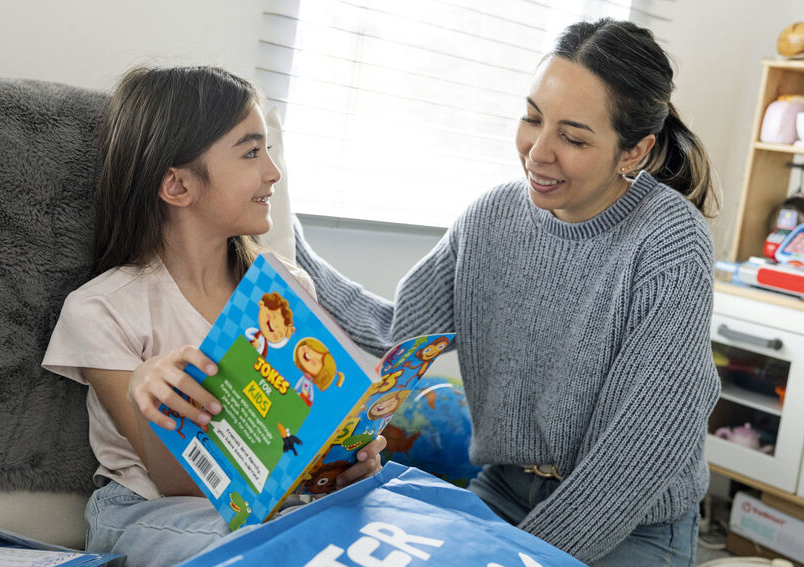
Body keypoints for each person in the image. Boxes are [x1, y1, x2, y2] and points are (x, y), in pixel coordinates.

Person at [291, 18, 721, 566]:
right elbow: (400, 337)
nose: (538, 152)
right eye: (532, 117)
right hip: (502, 491)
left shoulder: (669, 240)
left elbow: (639, 449)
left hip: (630, 520)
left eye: (573, 137)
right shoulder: (490, 218)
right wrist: (293, 251)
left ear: (634, 152)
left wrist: (521, 556)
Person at [42, 66, 386, 566]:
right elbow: (176, 482)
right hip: (149, 510)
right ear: (177, 186)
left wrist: (340, 465)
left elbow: (298, 442)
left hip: (274, 509)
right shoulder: (101, 309)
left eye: (268, 150)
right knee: (288, 551)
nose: (273, 171)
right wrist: (148, 394)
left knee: (380, 530)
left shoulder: (286, 288)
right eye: (250, 152)